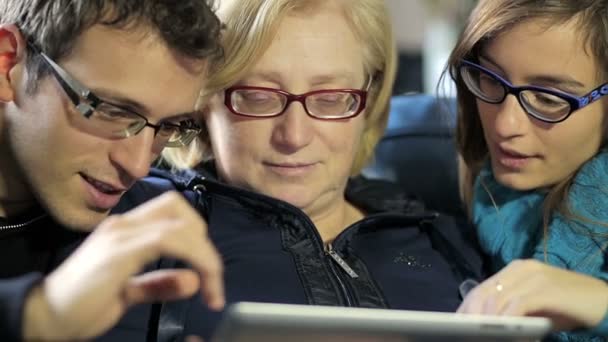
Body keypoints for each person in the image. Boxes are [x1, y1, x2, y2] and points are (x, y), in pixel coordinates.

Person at [159, 0, 485, 340]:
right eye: (259, 96)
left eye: (329, 98)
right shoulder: (147, 232)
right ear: (204, 98)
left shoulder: (451, 243)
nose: (294, 137)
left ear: (369, 99)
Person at [0, 1, 226, 340]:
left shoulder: (156, 226)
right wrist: (37, 315)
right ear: (8, 64)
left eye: (168, 126)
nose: (137, 165)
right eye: (111, 110)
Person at [445, 0, 608, 340]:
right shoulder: (468, 201)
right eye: (491, 80)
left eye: (548, 98)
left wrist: (598, 302)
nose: (505, 125)